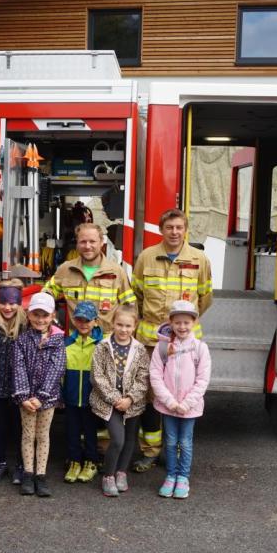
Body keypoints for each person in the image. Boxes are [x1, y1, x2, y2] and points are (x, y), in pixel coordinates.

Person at [130, 208, 213, 473]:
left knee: (182, 394)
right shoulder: (146, 257)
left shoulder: (199, 259)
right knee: (152, 397)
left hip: (187, 345)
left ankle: (174, 452)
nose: (174, 232)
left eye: (179, 227)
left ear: (185, 229)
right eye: (169, 227)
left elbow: (205, 298)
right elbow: (137, 295)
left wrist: (183, 326)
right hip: (151, 341)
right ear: (161, 229)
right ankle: (150, 452)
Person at [149, 300, 212, 499]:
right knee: (169, 441)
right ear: (171, 322)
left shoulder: (200, 348)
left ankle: (183, 477)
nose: (182, 326)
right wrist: (170, 402)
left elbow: (203, 380)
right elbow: (155, 376)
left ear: (194, 322)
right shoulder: (162, 348)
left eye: (186, 322)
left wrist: (185, 404)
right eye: (178, 322)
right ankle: (170, 475)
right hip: (169, 406)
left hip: (188, 407)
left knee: (185, 442)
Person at [89, 303, 149, 497]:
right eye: (120, 325)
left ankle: (121, 472)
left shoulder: (140, 350)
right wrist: (116, 399)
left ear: (135, 326)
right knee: (117, 439)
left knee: (130, 438)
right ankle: (108, 476)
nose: (123, 330)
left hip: (132, 404)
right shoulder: (103, 347)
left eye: (128, 326)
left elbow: (143, 377)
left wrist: (130, 399)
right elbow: (97, 376)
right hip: (109, 403)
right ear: (113, 323)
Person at [11, 292, 66, 498]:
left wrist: (41, 396)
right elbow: (18, 367)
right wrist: (25, 396)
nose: (40, 319)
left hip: (47, 398)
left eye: (45, 315)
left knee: (43, 436)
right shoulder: (22, 340)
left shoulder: (58, 340)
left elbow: (57, 368)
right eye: (36, 315)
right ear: (28, 315)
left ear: (52, 316)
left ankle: (40, 475)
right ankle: (28, 473)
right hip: (26, 400)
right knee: (28, 435)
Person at [44, 222, 134, 334]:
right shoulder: (66, 269)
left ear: (101, 242)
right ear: (77, 244)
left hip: (105, 342)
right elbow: (47, 293)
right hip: (75, 344)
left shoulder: (116, 272)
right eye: (83, 241)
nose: (87, 246)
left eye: (92, 241)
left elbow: (129, 307)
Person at [0, 279, 28, 485]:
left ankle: (21, 465)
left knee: (20, 428)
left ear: (19, 304)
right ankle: (0, 462)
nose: (8, 307)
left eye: (12, 303)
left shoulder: (26, 326)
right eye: (4, 303)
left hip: (21, 388)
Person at [61, 300, 102, 484]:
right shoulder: (67, 343)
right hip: (71, 398)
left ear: (95, 321)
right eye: (79, 320)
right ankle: (75, 461)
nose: (83, 324)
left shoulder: (101, 345)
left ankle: (91, 462)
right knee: (72, 431)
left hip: (91, 398)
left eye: (87, 320)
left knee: (91, 431)